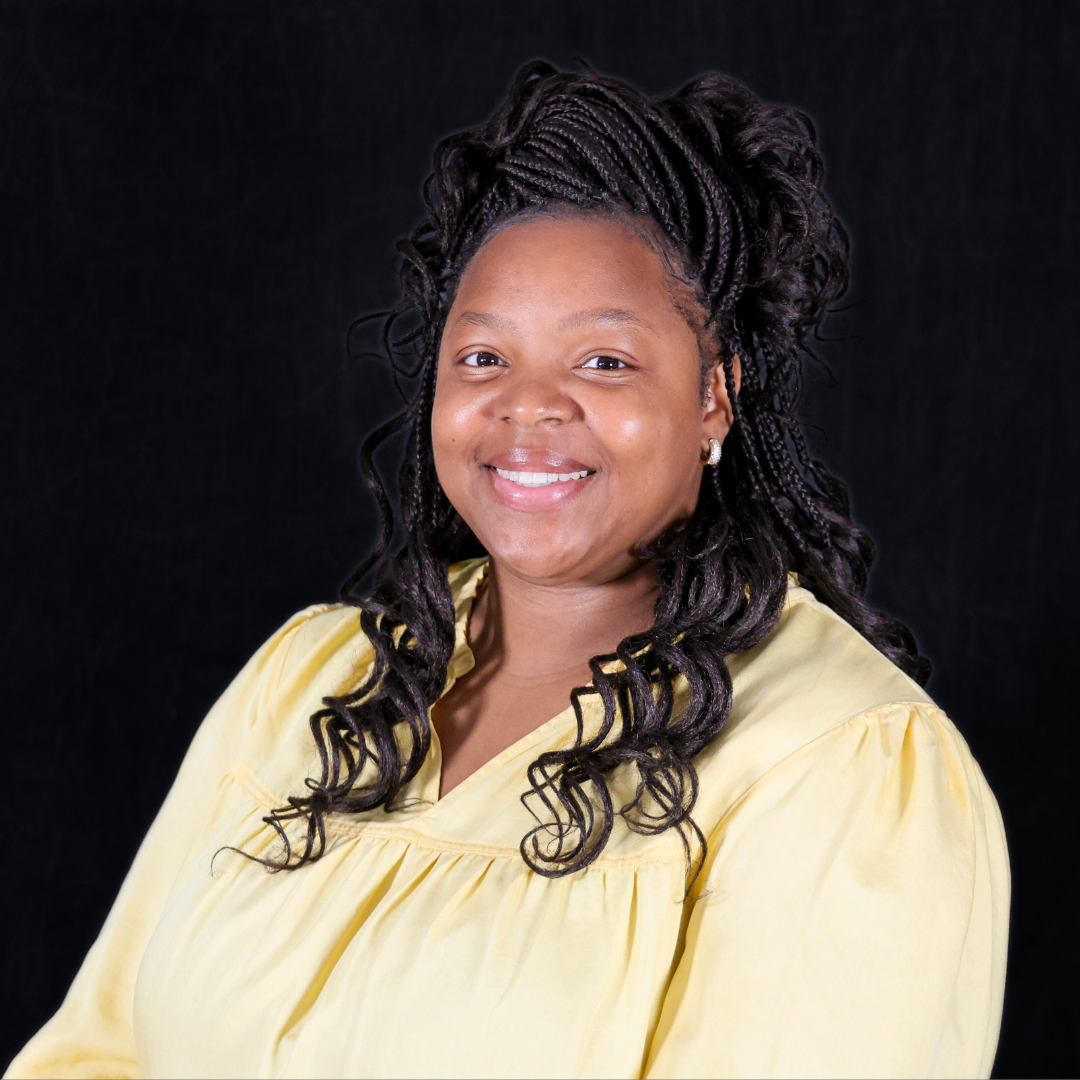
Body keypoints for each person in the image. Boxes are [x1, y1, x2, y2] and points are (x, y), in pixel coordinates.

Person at [6, 62, 1009, 1080]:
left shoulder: (838, 763)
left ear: (714, 395)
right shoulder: (311, 680)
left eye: (604, 361)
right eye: (483, 359)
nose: (528, 407)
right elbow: (99, 1051)